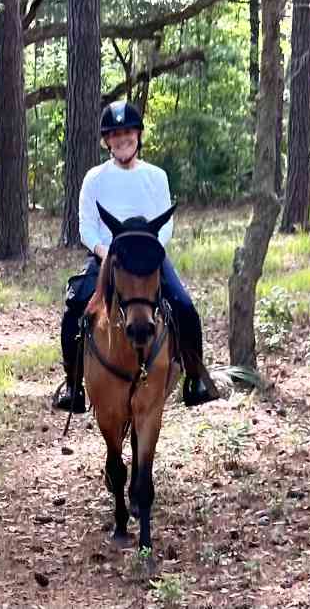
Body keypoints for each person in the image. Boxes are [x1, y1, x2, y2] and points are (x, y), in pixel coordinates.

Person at [53, 100, 218, 413]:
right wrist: (109, 253)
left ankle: (195, 379)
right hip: (107, 258)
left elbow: (165, 224)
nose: (122, 138)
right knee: (75, 310)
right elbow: (87, 228)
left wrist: (151, 253)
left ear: (138, 135)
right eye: (115, 134)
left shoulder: (156, 176)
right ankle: (74, 386)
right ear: (107, 141)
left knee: (184, 305)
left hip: (148, 258)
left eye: (128, 132)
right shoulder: (94, 178)